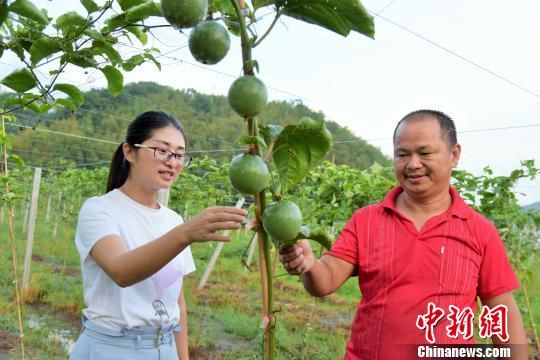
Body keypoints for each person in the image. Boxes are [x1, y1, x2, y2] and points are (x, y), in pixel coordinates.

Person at [279, 110, 528, 359]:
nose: (413, 164)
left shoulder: (479, 231)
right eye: (402, 154)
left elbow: (502, 311)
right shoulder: (366, 221)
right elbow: (326, 279)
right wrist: (309, 266)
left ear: (454, 155)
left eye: (425, 153)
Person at [69, 111, 246, 360]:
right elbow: (121, 271)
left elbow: (177, 303)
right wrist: (185, 233)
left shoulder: (172, 220)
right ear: (129, 152)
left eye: (179, 154)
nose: (172, 162)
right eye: (162, 151)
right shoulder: (100, 209)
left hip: (165, 348)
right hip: (112, 348)